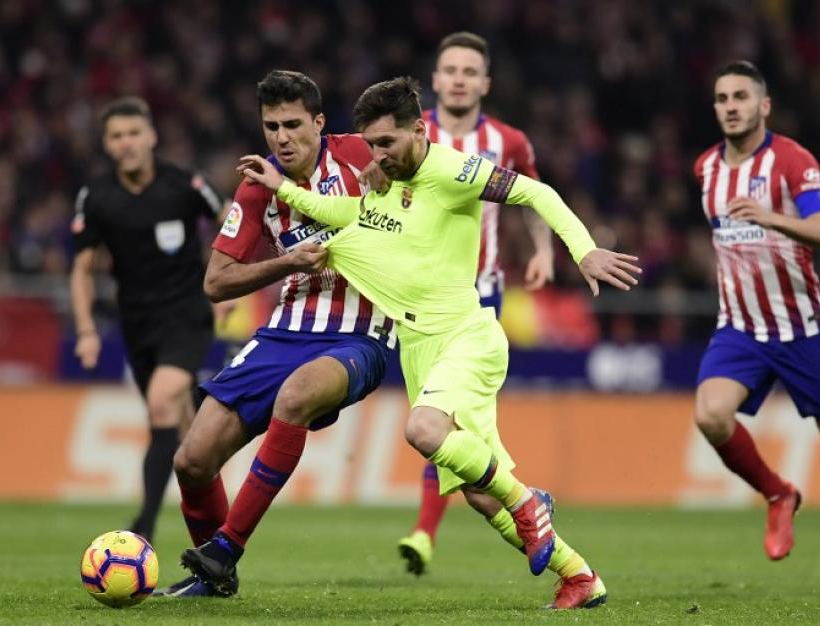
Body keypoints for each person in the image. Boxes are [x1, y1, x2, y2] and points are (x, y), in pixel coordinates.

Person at [234, 76, 642, 609]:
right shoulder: (382, 180)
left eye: (387, 143)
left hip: (465, 338)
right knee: (479, 491)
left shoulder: (452, 171)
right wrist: (282, 187)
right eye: (370, 144)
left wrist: (583, 250)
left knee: (424, 431)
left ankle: (530, 500)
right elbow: (350, 216)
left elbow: (535, 191)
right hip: (420, 349)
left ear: (419, 131)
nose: (375, 157)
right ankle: (580, 576)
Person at [157, 70, 393, 598]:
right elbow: (216, 282)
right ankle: (215, 582)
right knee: (191, 462)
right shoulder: (257, 185)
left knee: (297, 397)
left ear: (319, 123)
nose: (282, 137)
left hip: (362, 335)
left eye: (292, 124)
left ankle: (223, 550)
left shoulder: (361, 153)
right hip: (284, 333)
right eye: (271, 126)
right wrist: (287, 263)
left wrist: (393, 179)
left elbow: (426, 174)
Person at [692, 61, 820, 594]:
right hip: (740, 327)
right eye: (722, 98)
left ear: (764, 106)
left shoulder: (791, 161)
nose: (731, 106)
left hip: (805, 328)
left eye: (741, 96)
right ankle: (777, 493)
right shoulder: (705, 169)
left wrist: (770, 217)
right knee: (710, 415)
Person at [396, 31, 556, 577]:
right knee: (449, 427)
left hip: (478, 297)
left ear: (484, 83)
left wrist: (542, 250)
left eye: (470, 71)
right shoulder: (413, 135)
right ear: (435, 81)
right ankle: (543, 528)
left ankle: (427, 530)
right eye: (451, 70)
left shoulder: (507, 140)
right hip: (419, 297)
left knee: (440, 421)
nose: (460, 79)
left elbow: (531, 194)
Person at [70, 96, 224, 544]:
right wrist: (85, 331)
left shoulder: (185, 185)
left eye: (134, 133)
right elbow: (81, 268)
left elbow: (233, 220)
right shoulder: (96, 197)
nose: (127, 143)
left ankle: (143, 526)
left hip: (187, 315)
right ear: (106, 144)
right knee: (189, 438)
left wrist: (229, 285)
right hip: (137, 324)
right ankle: (217, 530)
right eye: (117, 136)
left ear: (152, 136)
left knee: (161, 402)